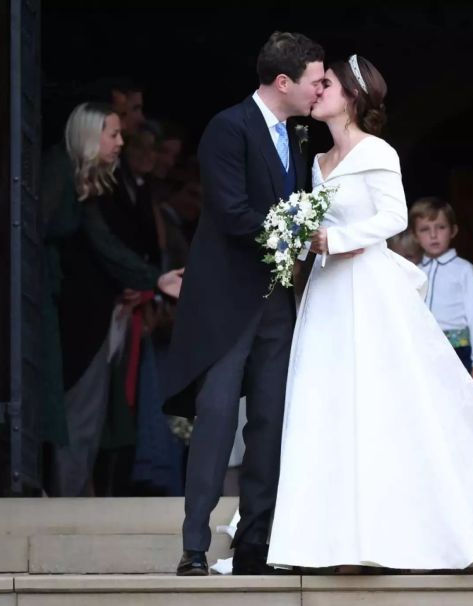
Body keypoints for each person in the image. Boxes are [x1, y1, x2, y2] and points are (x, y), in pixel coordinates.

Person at [266, 55, 473, 573]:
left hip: (366, 289)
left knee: (376, 403)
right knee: (328, 402)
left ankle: (383, 534)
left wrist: (332, 239)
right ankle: (330, 540)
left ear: (353, 96)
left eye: (328, 83)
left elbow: (393, 217)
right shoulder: (316, 161)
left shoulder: (377, 151)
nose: (318, 90)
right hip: (328, 294)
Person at [163, 31, 326, 576]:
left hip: (277, 302)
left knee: (271, 424)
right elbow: (232, 213)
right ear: (284, 82)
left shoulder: (298, 136)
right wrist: (293, 238)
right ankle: (193, 547)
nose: (319, 89)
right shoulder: (228, 127)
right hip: (226, 303)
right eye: (314, 81)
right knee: (214, 422)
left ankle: (256, 543)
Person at [39, 102, 183, 497]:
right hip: (63, 313)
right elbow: (36, 234)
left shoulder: (86, 181)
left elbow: (105, 245)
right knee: (74, 410)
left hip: (84, 313)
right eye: (113, 133)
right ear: (90, 135)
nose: (120, 142)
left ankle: (67, 498)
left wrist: (155, 281)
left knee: (87, 413)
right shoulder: (57, 170)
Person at [411, 197, 473, 391]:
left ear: (453, 230)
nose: (433, 235)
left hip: (458, 352)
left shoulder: (464, 270)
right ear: (415, 236)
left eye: (440, 227)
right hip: (422, 352)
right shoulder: (413, 272)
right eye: (424, 229)